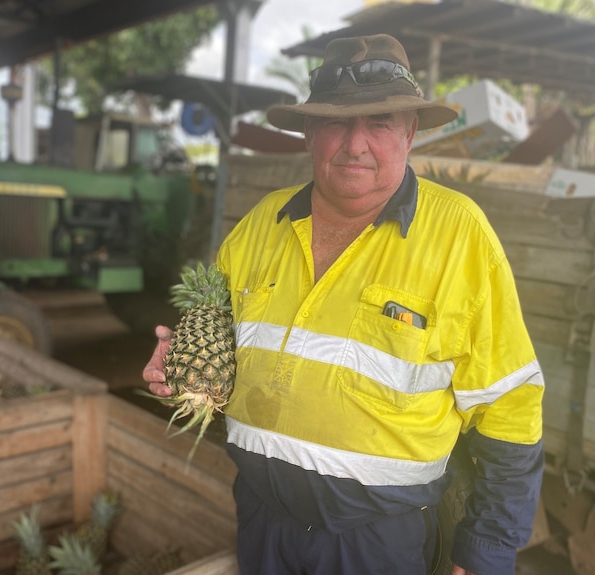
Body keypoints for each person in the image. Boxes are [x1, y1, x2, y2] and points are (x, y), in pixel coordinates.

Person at [143, 34, 543, 575]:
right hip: (262, 520)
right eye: (336, 122)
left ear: (409, 132)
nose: (355, 144)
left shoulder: (460, 236)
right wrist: (181, 371)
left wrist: (487, 553)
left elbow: (510, 405)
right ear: (309, 132)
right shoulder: (261, 224)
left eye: (379, 123)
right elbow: (222, 340)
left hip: (377, 543)